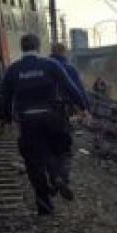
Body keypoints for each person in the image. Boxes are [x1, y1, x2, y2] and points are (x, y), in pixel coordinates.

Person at [0, 34, 90, 215]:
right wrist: (83, 108)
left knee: (34, 163)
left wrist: (6, 119)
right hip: (53, 118)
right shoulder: (51, 65)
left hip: (27, 121)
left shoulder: (12, 70)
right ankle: (59, 176)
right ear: (39, 46)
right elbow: (70, 87)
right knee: (62, 151)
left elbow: (5, 97)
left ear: (22, 48)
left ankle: (44, 205)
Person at [48, 41, 87, 189]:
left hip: (45, 114)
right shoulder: (69, 68)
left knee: (50, 148)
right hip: (63, 114)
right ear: (64, 52)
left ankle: (53, 176)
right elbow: (78, 90)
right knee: (65, 148)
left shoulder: (44, 66)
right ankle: (63, 178)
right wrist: (85, 109)